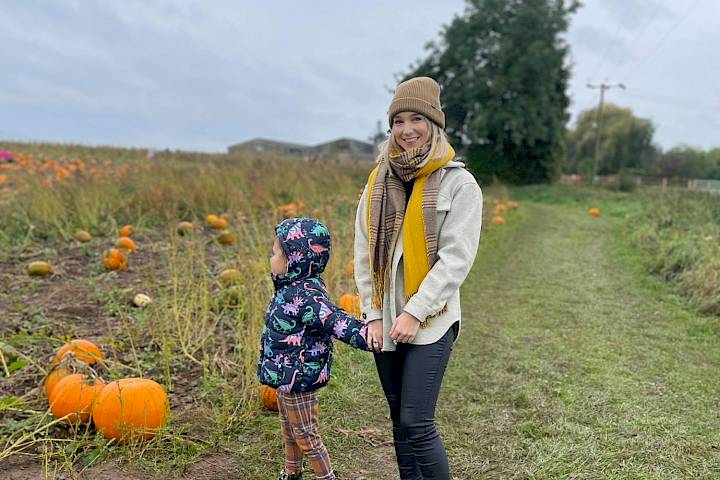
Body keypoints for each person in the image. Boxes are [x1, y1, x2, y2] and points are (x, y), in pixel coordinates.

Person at [354, 76, 483, 479]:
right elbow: (363, 252)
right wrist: (373, 314)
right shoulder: (378, 182)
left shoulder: (459, 184)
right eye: (398, 121)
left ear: (435, 124)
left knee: (416, 422)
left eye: (417, 119)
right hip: (385, 318)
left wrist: (414, 311)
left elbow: (455, 260)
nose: (407, 130)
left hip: (432, 319)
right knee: (397, 422)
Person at [259, 217, 371, 480]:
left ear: (293, 261)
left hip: (300, 376)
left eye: (275, 252)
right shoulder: (289, 287)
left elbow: (336, 321)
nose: (271, 257)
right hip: (284, 375)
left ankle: (326, 477)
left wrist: (368, 335)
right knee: (288, 429)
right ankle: (291, 472)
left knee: (306, 434)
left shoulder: (307, 295)